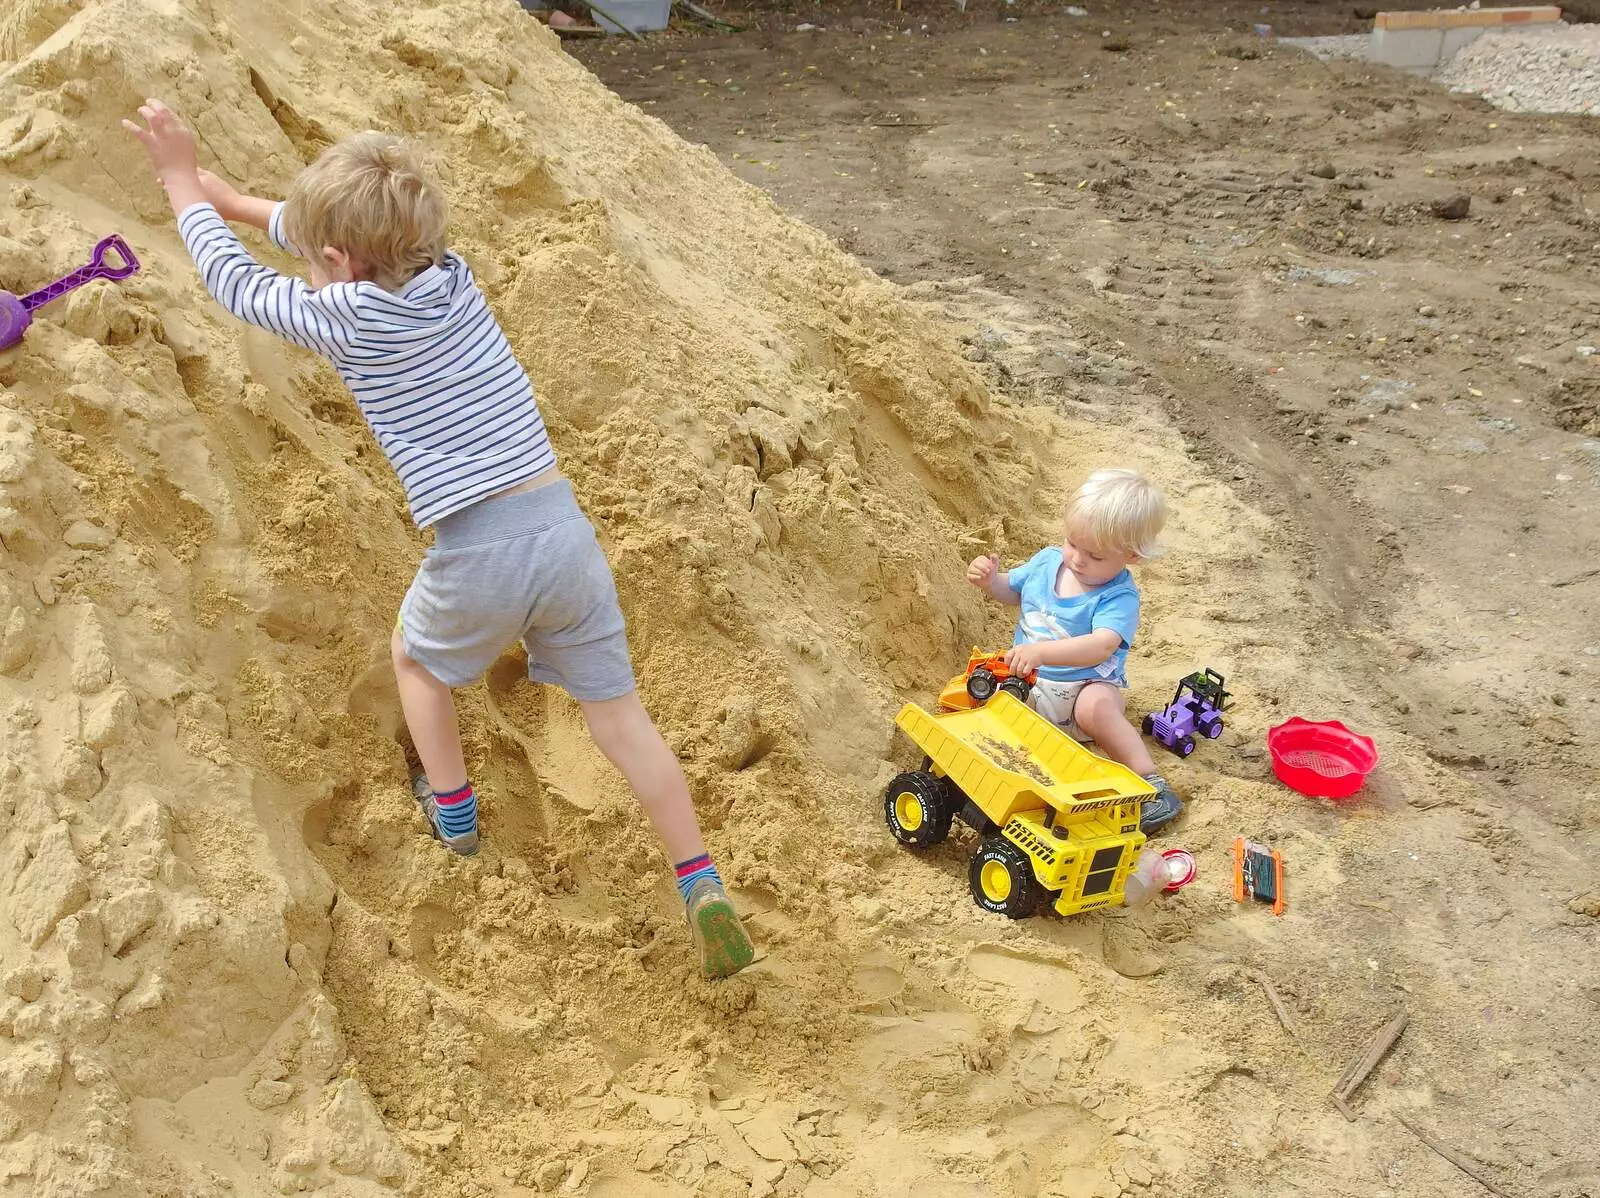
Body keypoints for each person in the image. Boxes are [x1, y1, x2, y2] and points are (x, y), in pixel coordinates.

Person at [123, 100, 755, 979]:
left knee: (417, 664)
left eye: (313, 259)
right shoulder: (450, 276)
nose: (306, 270)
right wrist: (245, 203)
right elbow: (340, 245)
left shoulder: (347, 319)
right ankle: (700, 878)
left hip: (481, 545)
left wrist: (184, 187)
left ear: (339, 267)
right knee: (620, 718)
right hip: (565, 533)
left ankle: (453, 817)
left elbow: (239, 288)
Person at [966, 468, 1182, 833]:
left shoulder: (1118, 596)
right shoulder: (1049, 562)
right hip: (1030, 680)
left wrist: (1042, 652)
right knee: (995, 706)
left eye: (1095, 555)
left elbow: (1100, 646)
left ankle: (1150, 785)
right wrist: (991, 582)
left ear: (1132, 556)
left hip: (1084, 685)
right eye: (1072, 543)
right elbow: (1012, 592)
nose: (1078, 559)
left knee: (1098, 706)